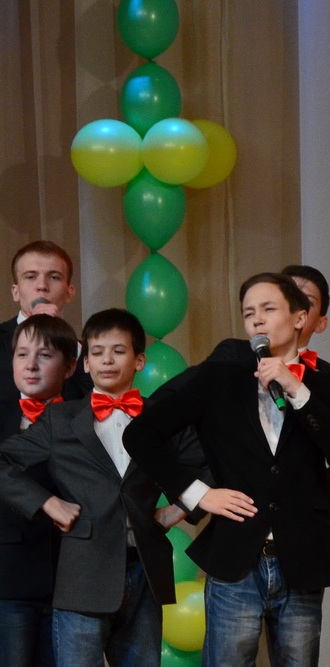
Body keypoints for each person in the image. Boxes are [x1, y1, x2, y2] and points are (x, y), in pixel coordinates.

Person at [123, 272, 330, 666]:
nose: (257, 320)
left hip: (302, 555)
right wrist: (198, 494)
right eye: (249, 313)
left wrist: (296, 389)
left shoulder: (325, 386)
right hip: (236, 556)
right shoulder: (221, 375)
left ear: (300, 317)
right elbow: (141, 434)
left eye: (268, 309)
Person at [0, 308, 201, 666]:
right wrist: (46, 502)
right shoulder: (60, 419)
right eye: (97, 351)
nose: (107, 360)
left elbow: (212, 459)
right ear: (86, 363)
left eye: (118, 351)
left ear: (139, 360)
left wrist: (179, 508)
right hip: (83, 575)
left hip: (144, 570)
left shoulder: (161, 417)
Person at [0, 315, 78, 666]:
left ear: (70, 367)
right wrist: (45, 501)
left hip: (72, 581)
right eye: (22, 354)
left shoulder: (84, 417)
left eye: (44, 355)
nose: (30, 365)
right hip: (8, 582)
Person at [0, 241, 90, 439]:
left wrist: (63, 337)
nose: (42, 286)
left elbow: (97, 402)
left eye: (54, 277)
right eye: (31, 277)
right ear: (15, 291)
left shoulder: (86, 352)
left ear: (69, 293)